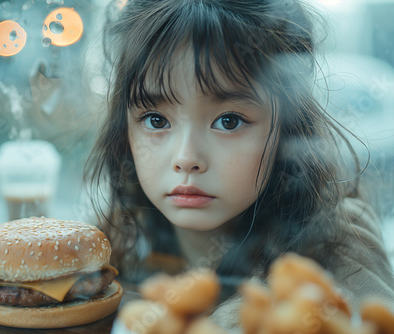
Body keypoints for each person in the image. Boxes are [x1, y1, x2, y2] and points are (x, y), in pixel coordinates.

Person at [84, 0, 394, 330]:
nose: (186, 158)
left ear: (287, 130)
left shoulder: (338, 244)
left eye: (229, 121)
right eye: (156, 120)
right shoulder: (117, 238)